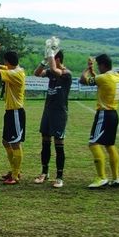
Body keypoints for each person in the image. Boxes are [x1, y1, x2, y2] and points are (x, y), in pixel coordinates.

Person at [79, 54, 119, 188]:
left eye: (98, 66)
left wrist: (88, 68)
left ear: (103, 65)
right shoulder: (118, 77)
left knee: (93, 143)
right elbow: (97, 79)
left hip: (104, 113)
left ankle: (101, 177)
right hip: (114, 113)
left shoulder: (104, 77)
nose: (98, 68)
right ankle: (116, 178)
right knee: (110, 145)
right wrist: (93, 71)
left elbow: (83, 80)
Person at [0, 38, 26, 185]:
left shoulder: (15, 74)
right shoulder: (14, 69)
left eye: (5, 62)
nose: (4, 65)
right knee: (6, 142)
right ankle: (14, 170)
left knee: (15, 143)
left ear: (8, 63)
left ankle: (15, 175)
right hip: (10, 112)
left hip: (16, 112)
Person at [33, 48, 72, 188]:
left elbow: (56, 71)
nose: (50, 63)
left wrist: (51, 53)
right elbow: (36, 73)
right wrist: (44, 60)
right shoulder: (51, 72)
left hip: (59, 113)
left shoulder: (66, 74)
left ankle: (59, 176)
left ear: (57, 60)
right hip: (48, 111)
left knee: (59, 145)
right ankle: (44, 172)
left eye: (51, 59)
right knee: (45, 142)